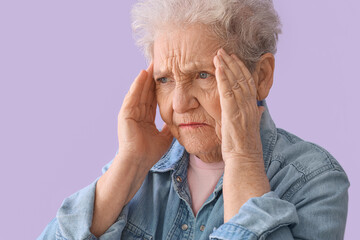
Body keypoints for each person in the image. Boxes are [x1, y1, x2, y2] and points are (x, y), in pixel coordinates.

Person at [38, 0, 350, 239]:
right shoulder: (138, 169)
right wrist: (130, 162)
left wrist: (243, 159)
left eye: (203, 75)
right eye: (164, 79)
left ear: (262, 76)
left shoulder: (314, 179)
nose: (179, 103)